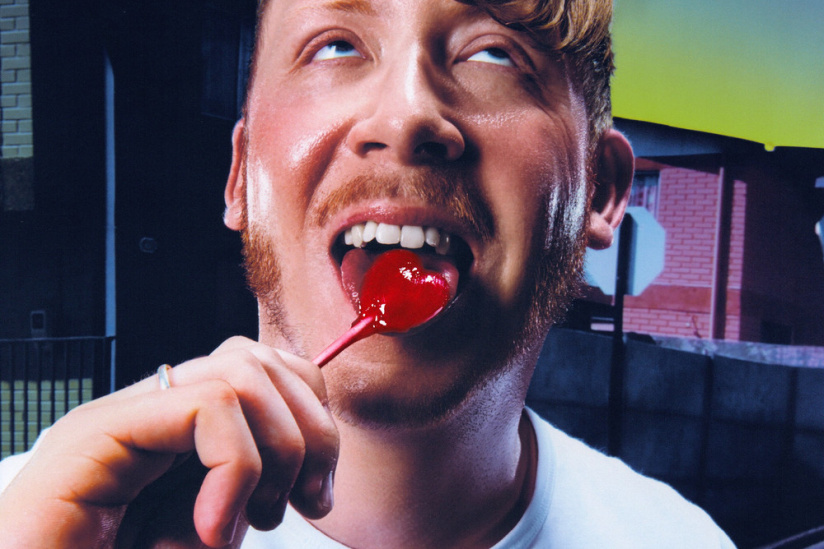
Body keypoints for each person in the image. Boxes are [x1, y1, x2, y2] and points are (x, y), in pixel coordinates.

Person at [0, 0, 735, 547]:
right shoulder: (31, 515)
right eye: (336, 45)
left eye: (495, 55)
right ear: (238, 179)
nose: (408, 113)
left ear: (600, 193)